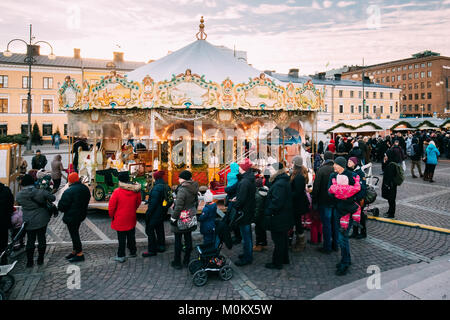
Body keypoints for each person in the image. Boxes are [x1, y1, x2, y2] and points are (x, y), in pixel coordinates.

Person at [16, 174, 55, 268]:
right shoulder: (40, 191)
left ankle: (30, 262)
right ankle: (40, 259)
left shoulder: (19, 194)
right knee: (41, 238)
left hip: (28, 219)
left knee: (30, 240)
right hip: (41, 218)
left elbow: (18, 202)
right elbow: (53, 198)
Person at [328, 156, 358, 276]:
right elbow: (329, 191)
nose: (333, 166)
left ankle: (345, 263)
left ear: (340, 165)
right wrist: (338, 193)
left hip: (347, 211)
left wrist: (345, 196)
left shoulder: (351, 175)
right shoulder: (332, 176)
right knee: (342, 236)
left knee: (342, 237)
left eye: (335, 164)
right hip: (337, 210)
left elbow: (360, 192)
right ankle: (347, 259)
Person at [264, 162, 294, 269]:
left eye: (272, 169)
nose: (270, 171)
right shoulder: (282, 181)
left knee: (278, 240)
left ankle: (277, 262)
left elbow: (277, 202)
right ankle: (284, 259)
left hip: (279, 217)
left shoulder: (279, 183)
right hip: (283, 216)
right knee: (283, 239)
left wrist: (269, 210)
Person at [108, 171, 141, 263]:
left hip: (120, 218)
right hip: (131, 216)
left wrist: (112, 215)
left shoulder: (117, 192)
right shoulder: (135, 190)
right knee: (131, 236)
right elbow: (138, 203)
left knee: (121, 238)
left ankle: (121, 255)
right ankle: (133, 251)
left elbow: (111, 206)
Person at [58, 172, 91, 262]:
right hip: (81, 214)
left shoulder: (69, 191)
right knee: (74, 233)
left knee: (74, 234)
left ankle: (79, 254)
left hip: (72, 216)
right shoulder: (85, 188)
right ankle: (75, 251)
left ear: (70, 181)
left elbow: (62, 206)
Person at [170, 170, 199, 269]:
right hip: (189, 216)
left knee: (178, 240)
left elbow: (178, 207)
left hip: (181, 217)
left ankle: (177, 262)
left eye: (179, 177)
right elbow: (196, 202)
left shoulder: (182, 189)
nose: (178, 179)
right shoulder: (194, 187)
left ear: (183, 179)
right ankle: (187, 260)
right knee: (188, 238)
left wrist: (173, 218)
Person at [312, 151, 338, 254]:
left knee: (327, 225)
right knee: (335, 224)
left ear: (324, 158)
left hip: (325, 201)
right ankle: (335, 245)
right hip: (335, 201)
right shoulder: (337, 169)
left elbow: (316, 188)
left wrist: (314, 201)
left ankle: (327, 247)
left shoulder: (321, 170)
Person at [232, 158, 256, 267]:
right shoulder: (248, 179)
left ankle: (247, 257)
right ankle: (248, 253)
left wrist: (235, 203)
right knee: (247, 235)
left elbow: (241, 199)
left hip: (244, 212)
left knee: (246, 235)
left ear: (243, 168)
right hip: (248, 210)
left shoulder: (244, 182)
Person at [143, 171, 168, 257]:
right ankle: (161, 246)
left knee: (149, 230)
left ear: (155, 178)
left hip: (155, 213)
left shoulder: (156, 188)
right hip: (162, 212)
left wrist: (148, 213)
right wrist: (164, 208)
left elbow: (153, 204)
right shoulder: (166, 186)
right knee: (159, 228)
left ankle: (152, 250)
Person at [289, 156, 309, 252]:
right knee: (297, 222)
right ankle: (298, 242)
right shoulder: (297, 174)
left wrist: (288, 194)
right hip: (297, 203)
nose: (291, 164)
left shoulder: (299, 176)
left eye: (292, 162)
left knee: (298, 223)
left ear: (295, 164)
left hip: (298, 204)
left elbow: (297, 192)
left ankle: (301, 243)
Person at [347, 157, 367, 239]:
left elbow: (363, 187)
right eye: (348, 161)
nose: (348, 163)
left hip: (358, 198)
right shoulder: (349, 171)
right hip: (352, 197)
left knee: (361, 216)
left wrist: (360, 198)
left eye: (350, 162)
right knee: (353, 215)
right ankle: (355, 232)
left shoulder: (360, 173)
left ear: (355, 163)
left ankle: (363, 232)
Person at [225, 162, 241, 244]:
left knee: (232, 218)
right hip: (235, 197)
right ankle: (237, 235)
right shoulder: (238, 176)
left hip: (231, 198)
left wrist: (226, 189)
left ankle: (236, 236)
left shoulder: (229, 175)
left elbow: (228, 189)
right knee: (234, 218)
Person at [381, 150, 399, 219]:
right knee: (389, 199)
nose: (385, 156)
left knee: (392, 200)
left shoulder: (392, 165)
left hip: (391, 185)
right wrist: (384, 161)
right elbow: (383, 169)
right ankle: (389, 211)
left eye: (386, 155)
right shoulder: (389, 162)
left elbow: (390, 176)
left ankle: (392, 214)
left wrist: (388, 185)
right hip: (388, 184)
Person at [253, 177, 269, 251]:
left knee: (258, 230)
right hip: (264, 214)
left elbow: (257, 208)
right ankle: (264, 244)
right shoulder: (265, 191)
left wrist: (255, 218)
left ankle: (259, 245)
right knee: (263, 230)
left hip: (259, 215)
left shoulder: (258, 195)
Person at [0, 182, 14, 265]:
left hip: (4, 220)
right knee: (3, 243)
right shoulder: (5, 190)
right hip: (3, 221)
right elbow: (10, 204)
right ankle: (3, 261)